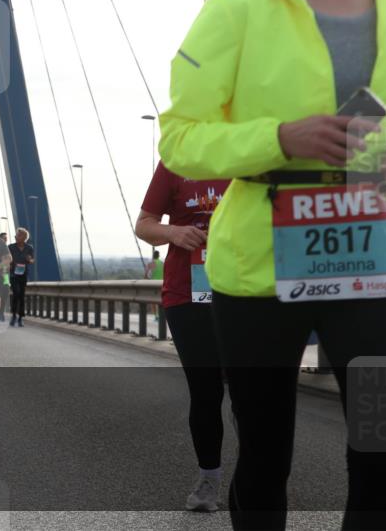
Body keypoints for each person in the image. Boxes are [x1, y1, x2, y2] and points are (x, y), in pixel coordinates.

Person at [159, 0, 386, 527]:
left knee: (383, 455)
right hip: (259, 272)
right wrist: (279, 137)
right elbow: (180, 139)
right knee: (266, 453)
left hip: (376, 263)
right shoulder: (233, 11)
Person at [136, 163, 230, 511]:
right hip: (189, 293)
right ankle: (209, 481)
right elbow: (144, 224)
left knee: (250, 391)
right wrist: (174, 232)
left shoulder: (252, 147)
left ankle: (253, 480)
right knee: (206, 391)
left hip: (246, 285)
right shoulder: (176, 160)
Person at [7, 227, 35, 327]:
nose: (15, 236)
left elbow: (32, 260)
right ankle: (14, 315)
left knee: (21, 295)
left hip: (23, 274)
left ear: (24, 237)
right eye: (16, 235)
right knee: (16, 293)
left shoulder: (29, 248)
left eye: (18, 235)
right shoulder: (10, 247)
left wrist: (29, 260)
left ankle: (20, 318)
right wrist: (8, 264)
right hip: (13, 274)